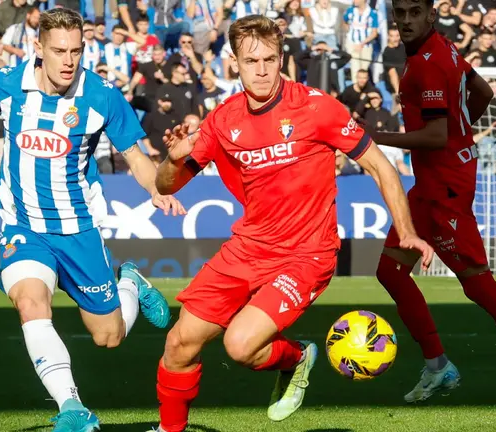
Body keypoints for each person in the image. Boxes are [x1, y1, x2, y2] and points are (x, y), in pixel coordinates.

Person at [148, 15, 434, 432]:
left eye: (269, 59)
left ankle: (296, 356)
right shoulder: (224, 120)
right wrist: (173, 160)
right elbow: (166, 184)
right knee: (178, 344)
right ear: (235, 63)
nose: (262, 70)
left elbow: (379, 166)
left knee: (240, 345)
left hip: (306, 255)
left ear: (281, 58)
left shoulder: (316, 107)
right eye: (251, 61)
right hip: (248, 248)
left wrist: (405, 230)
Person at [0, 8, 185, 432]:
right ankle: (72, 407)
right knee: (30, 302)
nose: (69, 61)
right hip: (23, 225)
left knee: (108, 336)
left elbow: (135, 156)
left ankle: (129, 280)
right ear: (39, 49)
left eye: (76, 50)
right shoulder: (7, 82)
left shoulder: (102, 96)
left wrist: (157, 190)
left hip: (78, 229)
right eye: (59, 51)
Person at [367, 0, 496, 409]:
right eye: (401, 12)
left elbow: (434, 135)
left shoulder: (428, 63)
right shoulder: (444, 48)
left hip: (445, 186)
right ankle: (437, 366)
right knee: (390, 271)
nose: (406, 20)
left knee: (477, 283)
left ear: (431, 14)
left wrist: (379, 137)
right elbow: (483, 93)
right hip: (433, 183)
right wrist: (463, 134)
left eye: (415, 12)